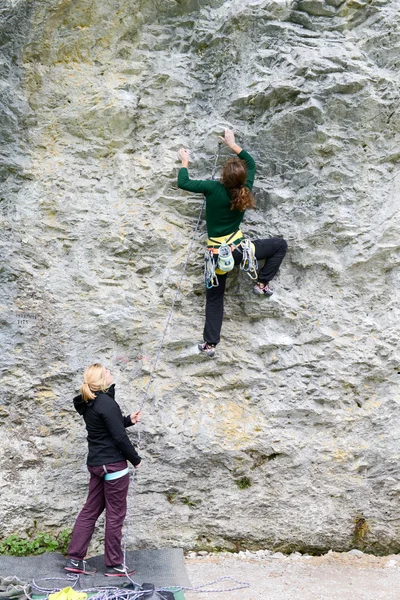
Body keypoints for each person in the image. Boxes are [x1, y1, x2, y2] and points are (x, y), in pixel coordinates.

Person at [177, 129, 288, 357]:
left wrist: (185, 161)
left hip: (216, 257)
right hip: (240, 251)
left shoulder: (212, 188)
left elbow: (183, 182)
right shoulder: (245, 189)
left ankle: (210, 345)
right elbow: (251, 162)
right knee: (280, 245)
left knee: (215, 300)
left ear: (223, 178)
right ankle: (262, 284)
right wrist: (233, 144)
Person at [64, 363, 142, 576]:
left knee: (90, 511)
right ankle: (114, 564)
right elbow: (118, 437)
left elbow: (107, 428)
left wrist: (128, 420)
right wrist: (136, 460)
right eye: (107, 371)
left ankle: (75, 560)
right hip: (113, 466)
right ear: (101, 379)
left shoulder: (90, 402)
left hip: (97, 465)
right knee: (115, 515)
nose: (110, 372)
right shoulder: (106, 403)